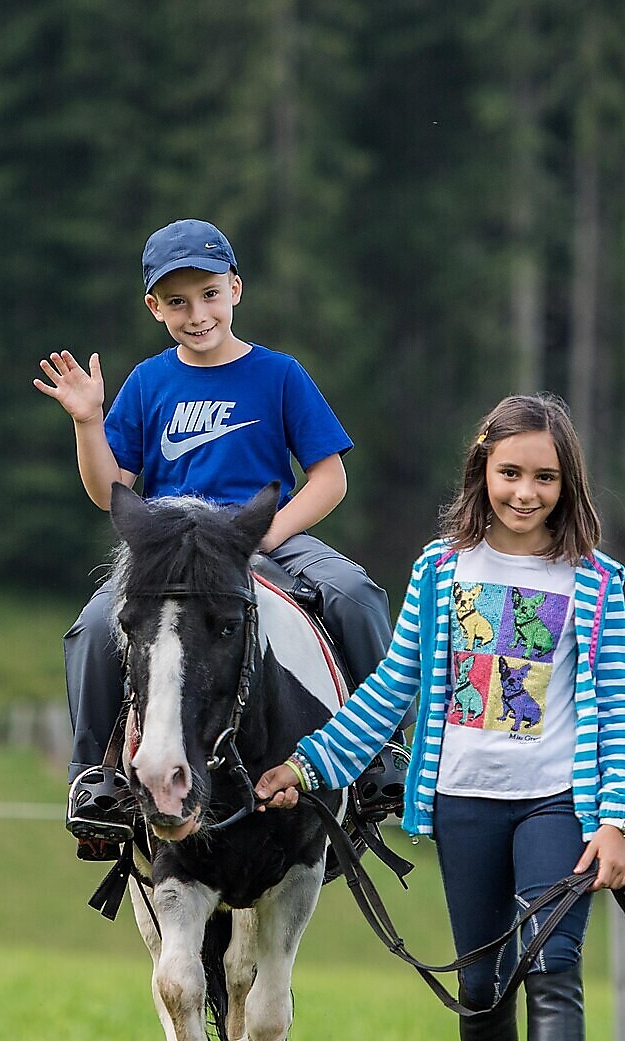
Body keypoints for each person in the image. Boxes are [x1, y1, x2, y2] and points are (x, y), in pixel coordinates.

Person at [255, 393, 625, 1041]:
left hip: (557, 801)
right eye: (511, 474)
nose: (526, 493)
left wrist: (615, 819)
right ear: (484, 469)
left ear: (568, 483)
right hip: (466, 801)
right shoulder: (441, 571)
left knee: (553, 963)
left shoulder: (595, 582)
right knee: (481, 982)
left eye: (545, 477)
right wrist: (309, 763)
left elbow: (620, 703)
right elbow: (390, 690)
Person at [35, 219, 392, 852]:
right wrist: (87, 422)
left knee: (356, 594)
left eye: (208, 293)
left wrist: (264, 537)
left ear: (235, 287)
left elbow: (329, 480)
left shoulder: (279, 374)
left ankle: (383, 756)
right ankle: (93, 778)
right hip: (167, 548)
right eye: (177, 301)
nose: (196, 313)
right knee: (93, 628)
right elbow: (108, 490)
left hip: (260, 531)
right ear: (155, 308)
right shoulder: (148, 382)